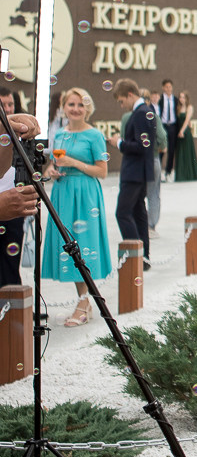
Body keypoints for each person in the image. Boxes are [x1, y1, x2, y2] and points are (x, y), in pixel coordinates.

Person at [40, 87, 112, 326]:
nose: (75, 109)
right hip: (64, 194)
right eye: (71, 104)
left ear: (87, 108)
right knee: (70, 248)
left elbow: (102, 171)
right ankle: (83, 300)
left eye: (80, 105)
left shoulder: (94, 136)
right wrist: (51, 171)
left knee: (84, 247)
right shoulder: (59, 134)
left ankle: (84, 302)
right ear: (64, 107)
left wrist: (73, 162)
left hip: (86, 195)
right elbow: (52, 164)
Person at [112, 78, 155, 269]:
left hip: (134, 173)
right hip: (140, 172)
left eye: (122, 101)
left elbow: (141, 146)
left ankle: (135, 255)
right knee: (138, 212)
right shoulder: (145, 111)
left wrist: (119, 143)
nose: (122, 106)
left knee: (122, 212)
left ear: (130, 94)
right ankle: (143, 257)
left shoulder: (140, 113)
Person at [0, 90, 41, 284]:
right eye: (2, 105)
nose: (6, 109)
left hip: (13, 204)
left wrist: (6, 127)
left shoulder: (15, 133)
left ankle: (12, 308)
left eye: (9, 104)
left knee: (10, 265)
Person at [138, 91, 168, 235]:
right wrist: (159, 147)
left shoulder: (128, 117)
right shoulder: (153, 116)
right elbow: (162, 137)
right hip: (153, 158)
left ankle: (138, 223)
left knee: (136, 194)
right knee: (153, 193)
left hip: (135, 161)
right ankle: (150, 226)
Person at [173, 91, 197, 182]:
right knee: (180, 153)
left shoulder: (189, 107)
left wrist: (182, 131)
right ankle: (181, 174)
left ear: (186, 98)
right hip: (179, 132)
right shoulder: (178, 108)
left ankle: (190, 174)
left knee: (187, 153)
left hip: (185, 133)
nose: (181, 99)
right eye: (180, 97)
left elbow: (187, 120)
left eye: (183, 97)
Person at [157, 79, 179, 178]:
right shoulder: (160, 100)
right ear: (163, 88)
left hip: (173, 127)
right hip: (163, 126)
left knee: (171, 150)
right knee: (162, 149)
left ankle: (168, 172)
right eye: (166, 87)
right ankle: (158, 171)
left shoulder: (175, 100)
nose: (168, 89)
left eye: (170, 87)